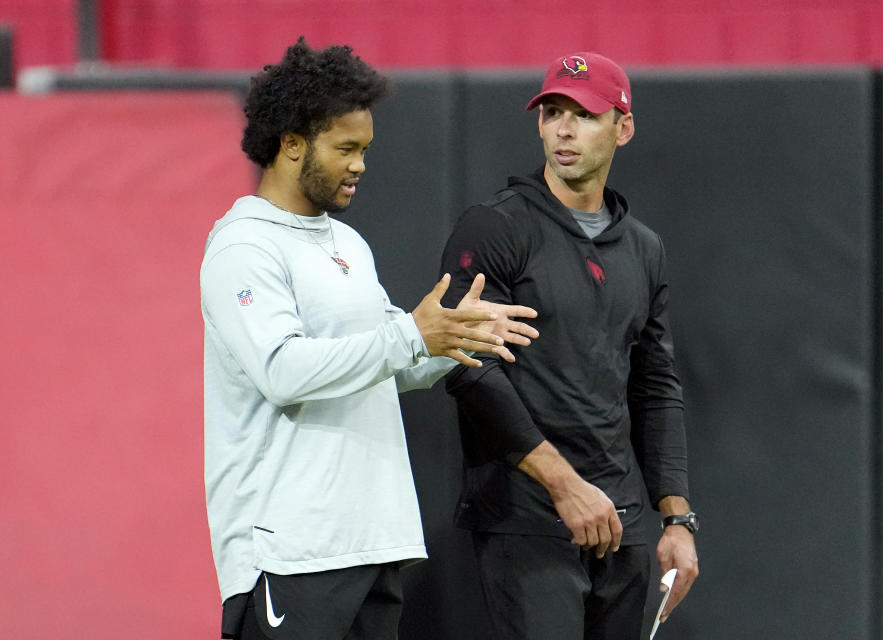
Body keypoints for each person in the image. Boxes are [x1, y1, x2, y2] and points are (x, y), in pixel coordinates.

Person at [201, 38, 538, 640]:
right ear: (292, 145)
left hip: (374, 541)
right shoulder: (243, 246)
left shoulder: (347, 244)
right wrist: (412, 334)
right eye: (346, 148)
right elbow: (283, 369)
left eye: (366, 149)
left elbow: (396, 362)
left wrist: (451, 337)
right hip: (291, 553)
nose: (360, 164)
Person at [439, 52, 699, 639]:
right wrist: (565, 486)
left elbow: (656, 387)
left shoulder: (644, 249)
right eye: (552, 112)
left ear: (622, 128)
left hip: (621, 522)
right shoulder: (495, 227)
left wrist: (677, 519)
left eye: (583, 114)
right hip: (529, 519)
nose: (563, 128)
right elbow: (466, 367)